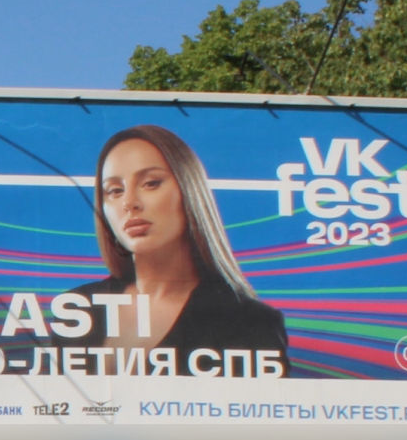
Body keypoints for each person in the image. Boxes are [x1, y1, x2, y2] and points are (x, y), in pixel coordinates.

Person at [57, 124, 293, 368]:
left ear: (189, 191)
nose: (129, 203)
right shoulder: (78, 307)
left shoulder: (250, 321)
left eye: (150, 183)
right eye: (115, 191)